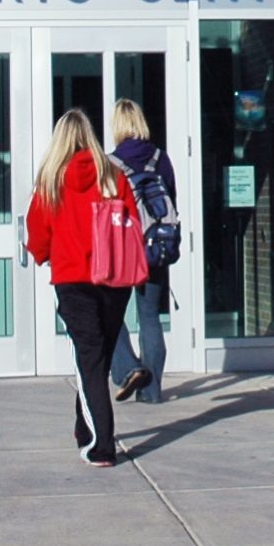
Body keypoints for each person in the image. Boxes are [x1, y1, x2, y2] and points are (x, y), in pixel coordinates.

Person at [26, 108, 131, 467]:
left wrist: (42, 255)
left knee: (90, 358)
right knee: (95, 360)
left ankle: (103, 445)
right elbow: (131, 220)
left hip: (73, 281)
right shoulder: (113, 176)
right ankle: (84, 429)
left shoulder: (51, 180)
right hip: (115, 279)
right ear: (90, 136)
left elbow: (38, 232)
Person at [106, 98, 180, 405]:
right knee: (150, 317)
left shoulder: (111, 163)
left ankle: (130, 368)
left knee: (109, 314)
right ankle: (151, 392)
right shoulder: (161, 158)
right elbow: (172, 199)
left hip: (124, 251)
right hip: (156, 247)